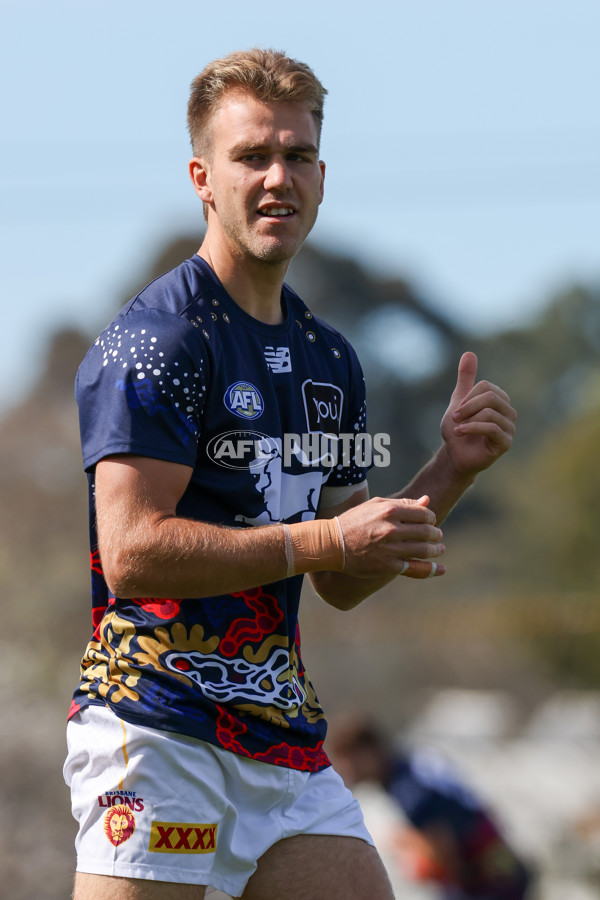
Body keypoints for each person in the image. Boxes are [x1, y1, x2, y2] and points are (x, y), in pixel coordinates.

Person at [63, 48, 517, 900]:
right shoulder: (157, 340)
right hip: (159, 727)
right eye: (252, 157)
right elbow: (131, 553)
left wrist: (448, 471)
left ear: (321, 173)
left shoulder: (331, 360)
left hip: (282, 745)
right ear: (202, 175)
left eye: (297, 156)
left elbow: (341, 574)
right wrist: (324, 538)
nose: (279, 178)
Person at [329, 716, 533, 900]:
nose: (346, 771)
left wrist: (409, 849)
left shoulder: (409, 790)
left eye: (349, 761)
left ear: (369, 752)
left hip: (490, 883)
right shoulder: (411, 766)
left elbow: (443, 857)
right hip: (502, 872)